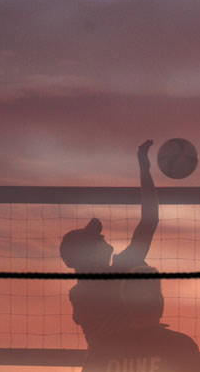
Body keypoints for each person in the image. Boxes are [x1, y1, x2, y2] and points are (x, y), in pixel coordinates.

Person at [60, 140, 160, 344]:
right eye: (95, 238)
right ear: (86, 255)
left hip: (109, 359)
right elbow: (149, 221)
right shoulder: (118, 273)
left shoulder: (79, 292)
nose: (102, 237)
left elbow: (149, 223)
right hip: (128, 358)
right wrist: (144, 170)